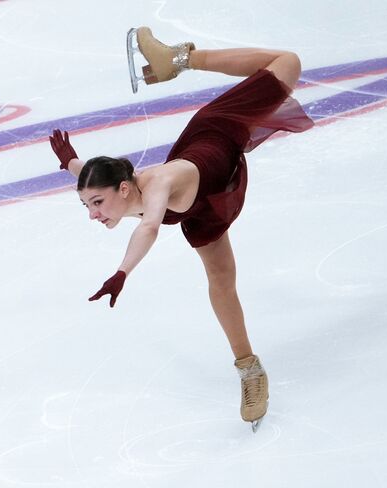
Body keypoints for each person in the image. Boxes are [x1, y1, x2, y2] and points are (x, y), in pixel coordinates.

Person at [48, 27, 313, 431]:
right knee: (221, 280)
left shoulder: (159, 186)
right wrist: (71, 162)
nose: (93, 214)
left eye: (97, 204)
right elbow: (92, 177)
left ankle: (183, 59)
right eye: (86, 205)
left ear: (123, 189)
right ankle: (250, 371)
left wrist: (122, 272)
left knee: (287, 63)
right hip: (204, 207)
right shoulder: (116, 187)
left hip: (216, 135)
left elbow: (151, 226)